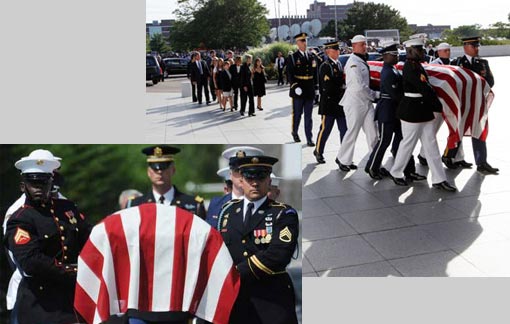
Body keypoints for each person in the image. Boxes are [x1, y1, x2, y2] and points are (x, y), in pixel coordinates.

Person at [4, 150, 92, 324]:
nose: (39, 188)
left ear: (51, 182)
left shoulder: (66, 208)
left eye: (43, 183)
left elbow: (89, 238)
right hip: (40, 305)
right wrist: (75, 271)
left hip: (72, 301)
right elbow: (30, 262)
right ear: (23, 186)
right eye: (33, 183)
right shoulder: (19, 217)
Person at [217, 155, 299, 324]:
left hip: (272, 300)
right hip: (237, 300)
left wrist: (237, 272)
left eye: (261, 177)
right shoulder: (228, 212)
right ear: (241, 181)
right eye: (249, 177)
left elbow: (279, 255)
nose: (255, 183)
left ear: (269, 180)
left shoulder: (282, 213)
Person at [3, 150, 66, 324]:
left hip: (61, 295)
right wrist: (68, 270)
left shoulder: (63, 204)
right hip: (30, 293)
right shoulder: (18, 213)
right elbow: (19, 257)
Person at [389, 37, 456, 191]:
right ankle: (396, 172)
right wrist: (438, 105)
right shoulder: (410, 67)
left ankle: (439, 179)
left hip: (422, 110)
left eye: (422, 49)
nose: (422, 52)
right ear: (411, 50)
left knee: (431, 144)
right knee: (408, 144)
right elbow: (424, 88)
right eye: (419, 50)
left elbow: (427, 87)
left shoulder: (417, 65)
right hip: (412, 111)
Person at [364, 42, 426, 181]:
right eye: (394, 55)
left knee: (402, 142)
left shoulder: (393, 69)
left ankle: (409, 170)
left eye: (397, 55)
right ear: (385, 56)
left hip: (396, 110)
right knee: (384, 141)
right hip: (387, 111)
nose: (397, 57)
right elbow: (396, 94)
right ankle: (372, 167)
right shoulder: (388, 72)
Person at [445, 36, 498, 174]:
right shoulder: (457, 63)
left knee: (479, 130)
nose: (477, 48)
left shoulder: (483, 62)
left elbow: (490, 81)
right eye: (474, 46)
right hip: (462, 103)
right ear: (465, 47)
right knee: (458, 130)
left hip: (478, 103)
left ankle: (481, 162)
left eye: (477, 46)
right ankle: (448, 156)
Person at [418, 43, 473, 169]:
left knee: (457, 129)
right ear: (438, 52)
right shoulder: (433, 65)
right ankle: (423, 155)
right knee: (432, 131)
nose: (447, 52)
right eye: (444, 51)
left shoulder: (454, 64)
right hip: (438, 103)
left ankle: (458, 157)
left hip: (452, 102)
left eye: (448, 50)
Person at [335, 35, 378, 171]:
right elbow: (360, 86)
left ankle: (375, 160)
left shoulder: (360, 60)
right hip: (355, 102)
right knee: (352, 132)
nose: (365, 47)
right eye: (361, 44)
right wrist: (375, 95)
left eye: (365, 44)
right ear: (353, 47)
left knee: (373, 133)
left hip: (365, 102)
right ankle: (343, 159)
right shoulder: (353, 62)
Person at [127, 145, 207, 219]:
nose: (159, 172)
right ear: (148, 172)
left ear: (173, 170)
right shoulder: (135, 205)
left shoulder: (193, 204)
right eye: (155, 169)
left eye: (163, 168)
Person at [205, 146, 264, 228]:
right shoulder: (216, 204)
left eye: (246, 171)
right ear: (230, 175)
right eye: (237, 171)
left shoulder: (263, 203)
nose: (242, 175)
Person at [313, 40, 347, 164]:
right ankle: (318, 151)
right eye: (335, 50)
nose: (338, 52)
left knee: (344, 130)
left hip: (340, 103)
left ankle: (344, 156)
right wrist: (343, 86)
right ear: (328, 52)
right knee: (325, 129)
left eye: (338, 50)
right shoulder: (325, 66)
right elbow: (328, 86)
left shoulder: (338, 64)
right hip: (329, 103)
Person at [287, 33, 318, 146]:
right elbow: (289, 73)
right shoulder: (292, 57)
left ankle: (309, 138)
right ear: (297, 43)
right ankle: (294, 132)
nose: (305, 43)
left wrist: (316, 88)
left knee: (308, 116)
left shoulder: (311, 56)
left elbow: (315, 73)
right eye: (302, 41)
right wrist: (295, 86)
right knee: (297, 114)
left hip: (309, 88)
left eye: (305, 41)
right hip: (298, 89)